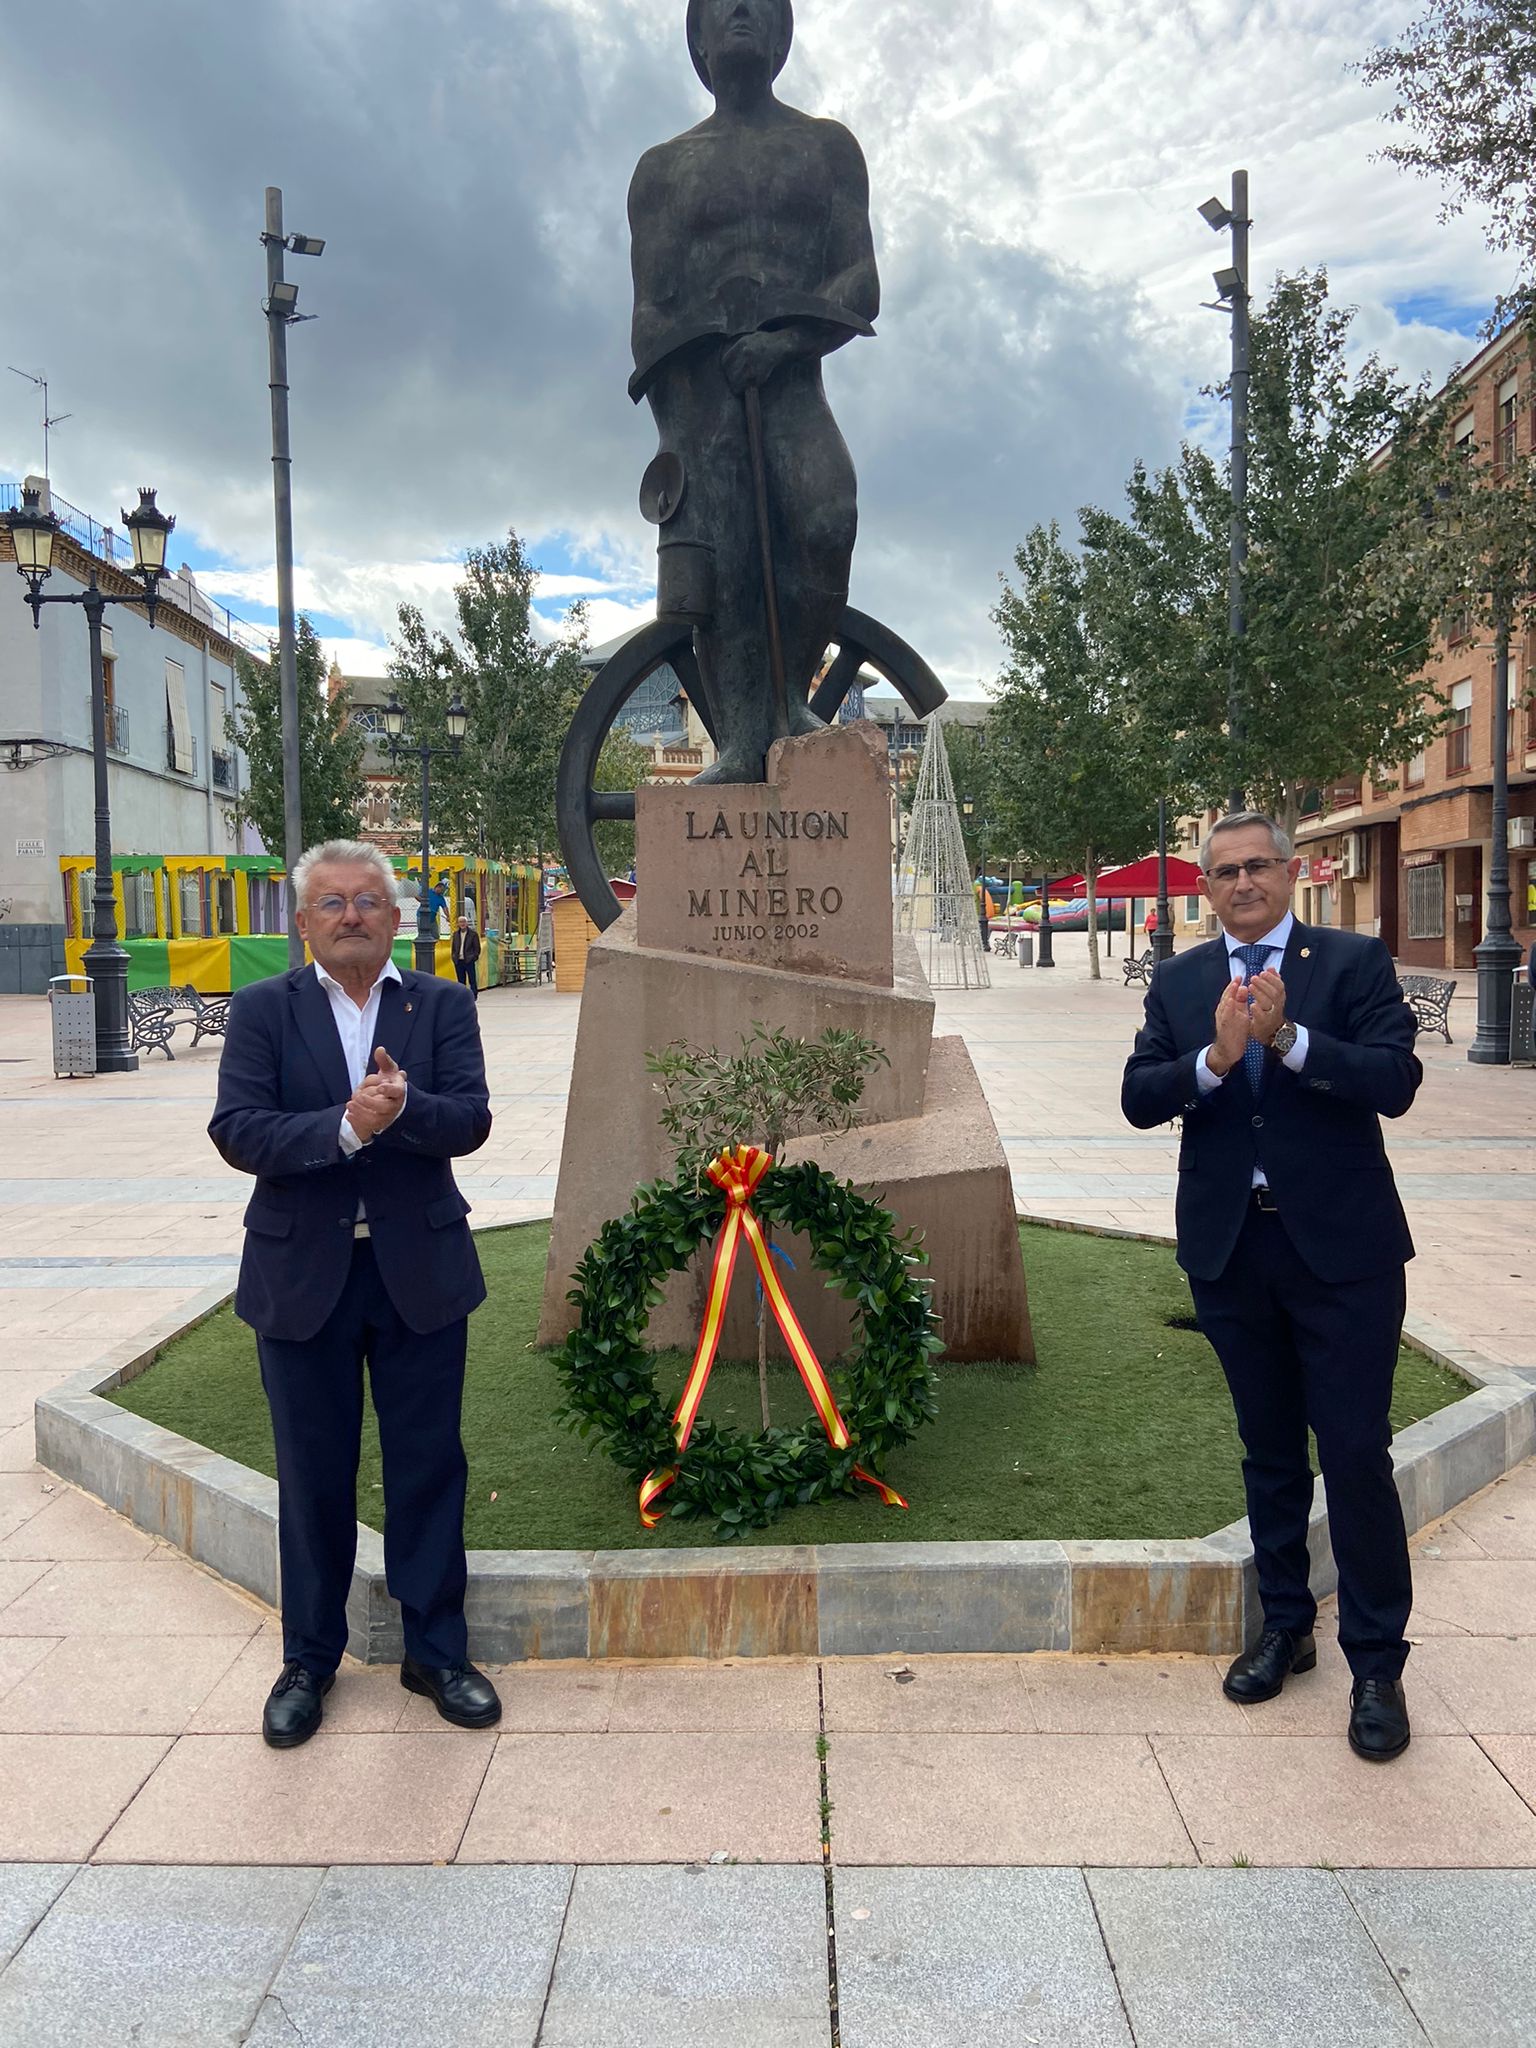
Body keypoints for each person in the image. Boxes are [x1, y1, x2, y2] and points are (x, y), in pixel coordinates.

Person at [1122, 812, 1423, 1763]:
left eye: (1258, 866)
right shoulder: (1176, 980)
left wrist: (1286, 1036)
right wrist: (1213, 1060)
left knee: (1355, 1453)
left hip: (1343, 1257)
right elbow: (1138, 1097)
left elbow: (1396, 1080)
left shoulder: (1351, 963)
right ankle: (1287, 1625)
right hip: (1231, 1252)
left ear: (1292, 873)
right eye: (1223, 872)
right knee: (1268, 1451)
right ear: (1203, 888)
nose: (1242, 883)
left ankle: (1375, 1664)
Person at [209, 839, 500, 1748]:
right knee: (313, 1475)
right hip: (303, 1280)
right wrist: (342, 1127)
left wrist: (402, 1109)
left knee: (427, 1466)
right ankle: (309, 1660)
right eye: (331, 903)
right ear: (302, 923)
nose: (351, 916)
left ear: (395, 916)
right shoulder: (263, 1010)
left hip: (418, 1271)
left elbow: (474, 1118)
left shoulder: (442, 1003)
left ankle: (437, 1653)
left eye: (368, 901)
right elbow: (238, 1130)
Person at [627, 0, 879, 781]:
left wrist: (787, 342)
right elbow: (649, 310)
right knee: (725, 556)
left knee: (826, 516)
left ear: (780, 36)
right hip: (700, 393)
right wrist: (678, 429)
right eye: (721, 6)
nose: (740, 12)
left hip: (793, 375)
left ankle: (785, 704)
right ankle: (741, 737)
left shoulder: (826, 148)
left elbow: (860, 279)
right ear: (698, 40)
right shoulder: (663, 169)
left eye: (760, 6)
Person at [451, 914, 482, 997]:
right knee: (461, 980)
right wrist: (454, 957)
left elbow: (477, 948)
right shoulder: (456, 934)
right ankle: (462, 995)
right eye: (460, 922)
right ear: (458, 924)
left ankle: (474, 994)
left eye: (464, 922)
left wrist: (473, 957)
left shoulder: (473, 934)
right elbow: (453, 947)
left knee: (472, 979)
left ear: (467, 923)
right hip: (458, 960)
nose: (462, 924)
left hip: (469, 960)